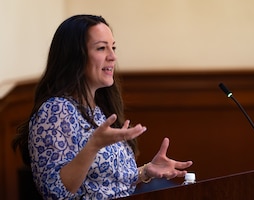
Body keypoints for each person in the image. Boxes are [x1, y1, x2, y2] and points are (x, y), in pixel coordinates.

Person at [12, 14, 193, 199]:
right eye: (101, 48)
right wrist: (93, 146)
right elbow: (54, 193)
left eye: (113, 47)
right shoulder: (55, 111)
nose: (113, 56)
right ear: (74, 57)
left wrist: (146, 171)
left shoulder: (97, 110)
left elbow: (106, 183)